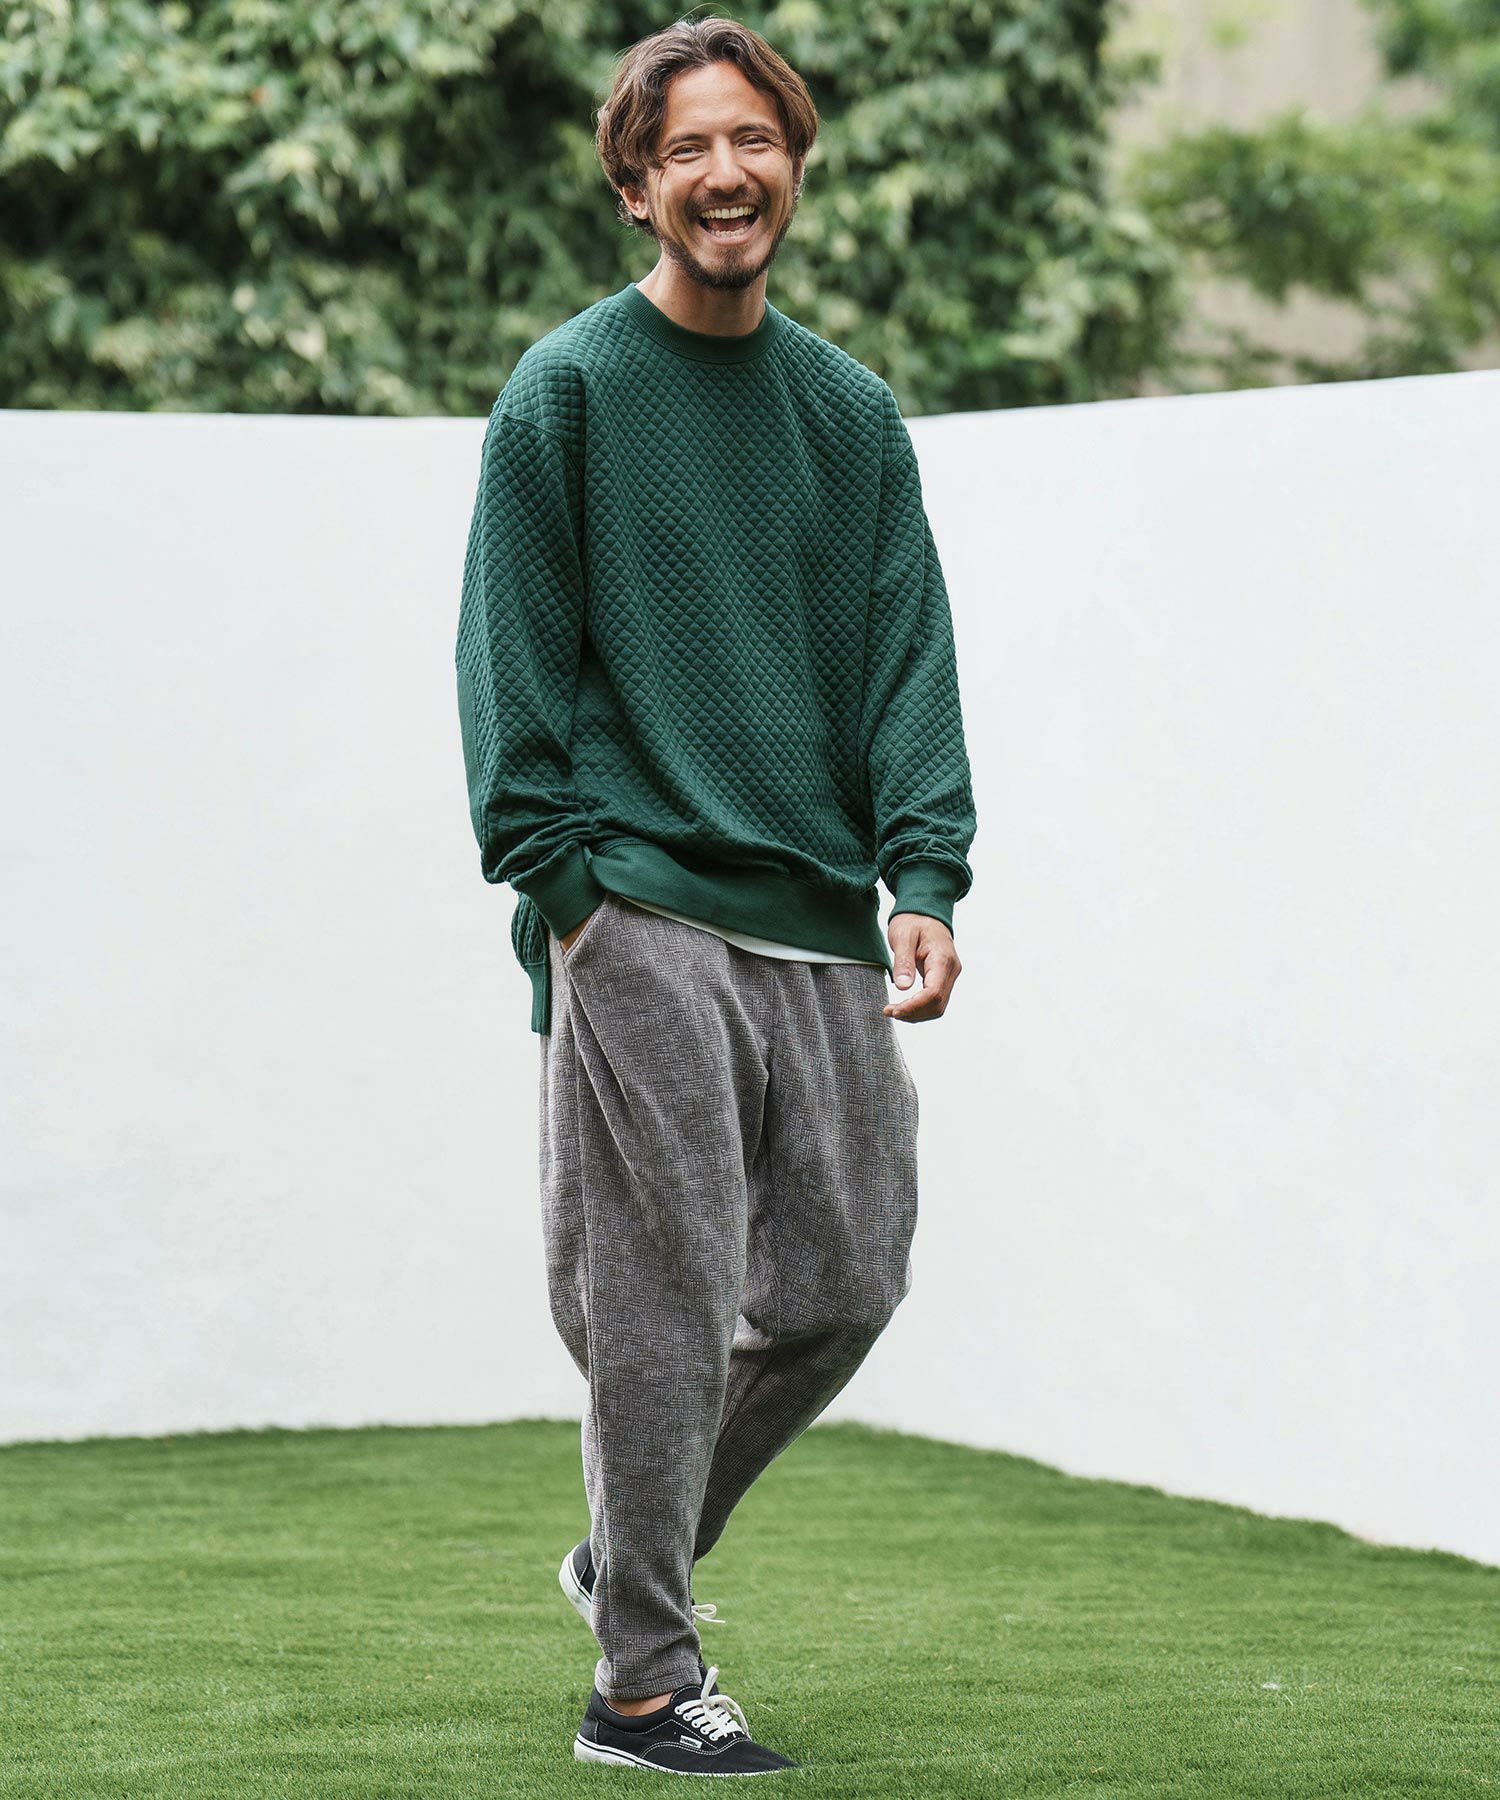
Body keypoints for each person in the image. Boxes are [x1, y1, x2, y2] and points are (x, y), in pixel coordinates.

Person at [454, 16, 977, 1777]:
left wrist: (923, 872)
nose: (724, 172)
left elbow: (906, 658)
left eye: (753, 139)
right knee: (657, 1302)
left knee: (845, 1279)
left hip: (817, 915)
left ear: (794, 162)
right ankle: (640, 1687)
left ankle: (628, 1560)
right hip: (638, 898)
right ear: (636, 185)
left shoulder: (851, 415)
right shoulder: (568, 393)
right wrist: (568, 894)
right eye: (686, 148)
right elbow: (509, 665)